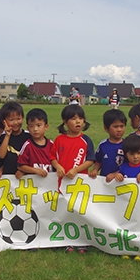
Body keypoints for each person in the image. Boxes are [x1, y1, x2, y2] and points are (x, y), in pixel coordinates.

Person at [50, 105, 94, 253]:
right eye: (74, 119)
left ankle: (82, 241)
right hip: (62, 184)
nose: (78, 122)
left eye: (81, 118)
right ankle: (67, 240)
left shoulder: (86, 140)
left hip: (80, 183)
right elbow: (52, 157)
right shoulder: (59, 139)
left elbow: (90, 160)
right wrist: (58, 166)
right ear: (65, 122)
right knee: (65, 212)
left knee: (80, 212)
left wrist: (76, 169)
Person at [89, 109, 126, 178]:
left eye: (122, 126)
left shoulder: (127, 145)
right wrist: (95, 170)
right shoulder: (103, 145)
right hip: (104, 182)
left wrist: (115, 174)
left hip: (121, 181)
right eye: (115, 127)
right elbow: (98, 161)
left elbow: (129, 165)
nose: (119, 129)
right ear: (106, 128)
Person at [17, 108, 53, 177]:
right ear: (28, 128)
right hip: (33, 184)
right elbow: (20, 166)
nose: (35, 129)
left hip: (49, 185)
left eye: (39, 125)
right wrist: (35, 170)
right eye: (31, 126)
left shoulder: (51, 144)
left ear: (46, 127)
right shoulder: (27, 145)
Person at [0, 102, 30, 176]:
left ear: (23, 118)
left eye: (18, 119)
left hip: (26, 177)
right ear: (4, 122)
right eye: (11, 120)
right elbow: (1, 155)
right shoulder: (3, 137)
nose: (16, 122)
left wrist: (23, 171)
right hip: (9, 177)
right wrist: (7, 135)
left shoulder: (28, 136)